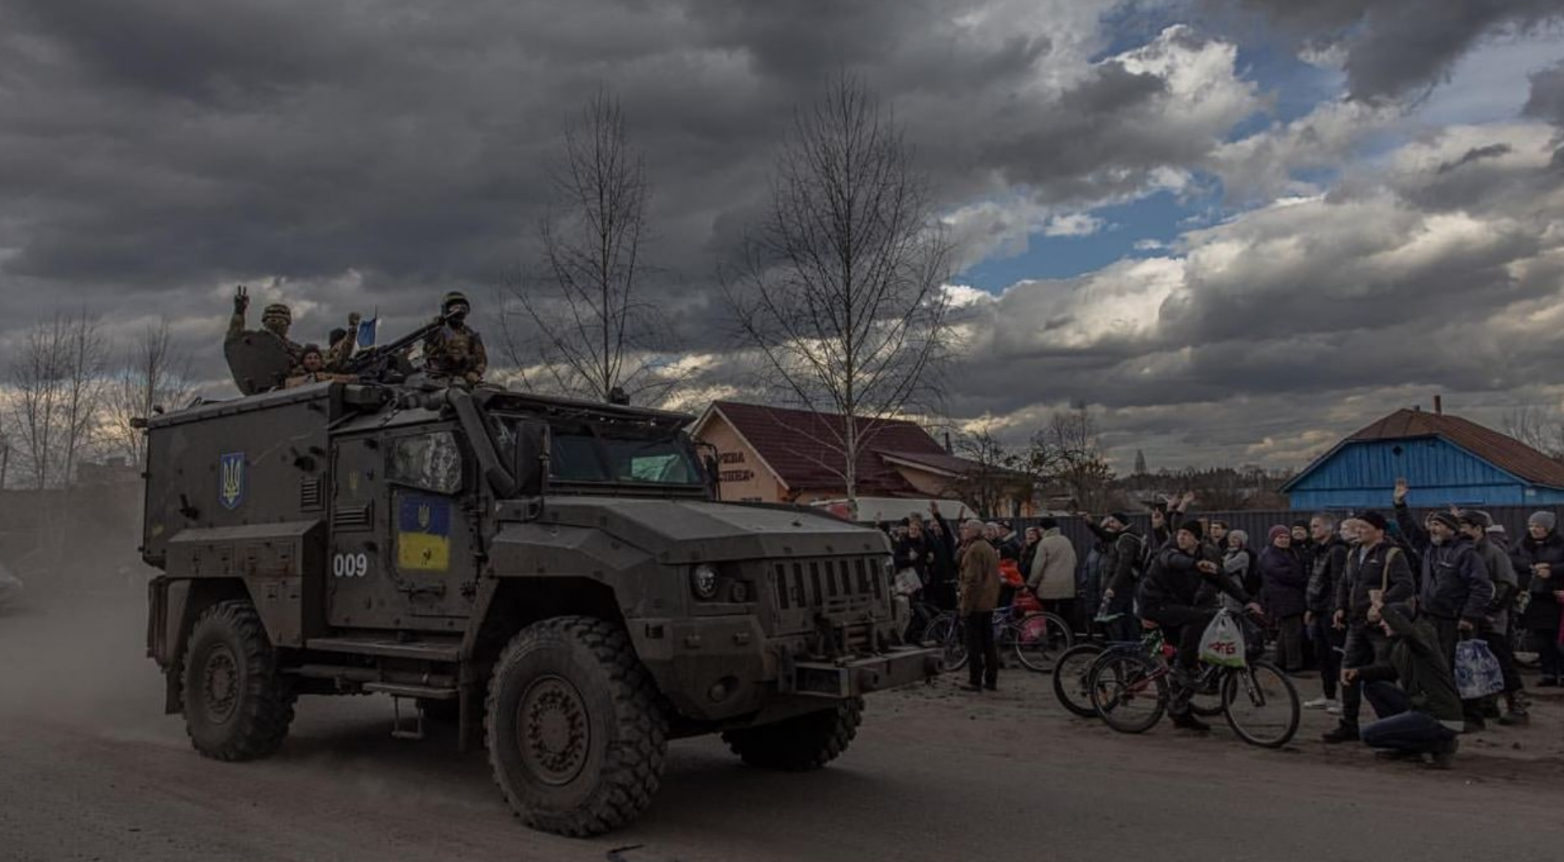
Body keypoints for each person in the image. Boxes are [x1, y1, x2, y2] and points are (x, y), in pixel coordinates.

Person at [1137, 519, 1261, 731]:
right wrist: (1195, 565)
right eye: (1180, 533)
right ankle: (1182, 668)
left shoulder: (1203, 556)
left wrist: (1248, 601)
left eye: (1186, 534)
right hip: (1155, 603)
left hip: (1174, 606)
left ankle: (1179, 712)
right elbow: (1172, 561)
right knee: (1197, 624)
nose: (1181, 537)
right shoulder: (1171, 550)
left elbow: (1223, 580)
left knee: (1184, 654)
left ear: (1196, 538)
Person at [1392, 480, 1494, 729]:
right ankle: (1449, 713)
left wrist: (1469, 616)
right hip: (1430, 617)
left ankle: (1473, 717)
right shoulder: (1429, 548)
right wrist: (1399, 504)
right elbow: (1409, 530)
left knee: (1462, 668)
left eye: (1438, 525)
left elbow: (1481, 587)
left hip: (1455, 620)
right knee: (1437, 668)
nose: (1433, 529)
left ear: (1451, 529)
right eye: (1432, 525)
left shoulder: (1465, 553)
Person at [1324, 510, 1416, 743]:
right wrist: (1339, 607)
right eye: (1357, 527)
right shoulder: (1353, 553)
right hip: (1356, 624)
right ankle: (1348, 724)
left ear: (1379, 530)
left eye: (1364, 527)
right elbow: (1345, 583)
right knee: (1348, 672)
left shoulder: (1392, 554)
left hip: (1380, 626)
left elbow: (1405, 585)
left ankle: (1392, 725)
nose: (1358, 531)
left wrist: (1381, 604)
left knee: (1382, 676)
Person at [1350, 598, 1464, 769]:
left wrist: (1382, 606)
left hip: (1438, 715)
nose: (1382, 624)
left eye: (1385, 620)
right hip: (1422, 707)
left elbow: (1409, 633)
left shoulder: (1422, 638)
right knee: (1373, 687)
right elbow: (1390, 670)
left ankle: (1438, 745)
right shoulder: (1401, 647)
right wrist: (1358, 672)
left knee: (1368, 734)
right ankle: (1411, 748)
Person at [1459, 511, 1528, 725]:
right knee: (1475, 662)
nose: (1459, 530)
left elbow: (1509, 585)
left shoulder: (1493, 552)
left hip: (1492, 618)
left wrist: (1491, 611)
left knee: (1501, 659)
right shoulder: (1464, 551)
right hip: (1470, 615)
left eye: (1463, 526)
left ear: (1477, 529)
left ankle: (1517, 705)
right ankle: (1487, 705)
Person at [1304, 513, 1350, 710]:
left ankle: (1344, 699)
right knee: (1321, 655)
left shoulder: (1337, 550)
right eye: (1311, 526)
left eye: (1316, 526)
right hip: (1318, 609)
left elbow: (1337, 582)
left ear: (1329, 528)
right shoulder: (1319, 550)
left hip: (1330, 611)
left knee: (1336, 656)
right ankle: (1328, 695)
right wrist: (1311, 608)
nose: (1311, 530)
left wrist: (1336, 610)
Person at [1514, 510, 1564, 687]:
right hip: (1533, 596)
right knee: (1541, 639)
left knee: (1557, 639)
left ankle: (1562, 673)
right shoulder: (1523, 543)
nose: (1534, 529)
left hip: (1554, 597)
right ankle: (1548, 673)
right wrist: (1530, 567)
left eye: (1538, 526)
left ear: (1548, 528)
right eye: (1531, 525)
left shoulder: (1560, 544)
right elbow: (1513, 559)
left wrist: (1551, 569)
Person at [957, 519, 1002, 692]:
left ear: (974, 531)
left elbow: (972, 580)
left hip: (976, 604)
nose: (963, 531)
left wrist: (965, 605)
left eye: (966, 528)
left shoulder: (975, 550)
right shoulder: (988, 547)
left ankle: (974, 680)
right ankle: (991, 679)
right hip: (988, 602)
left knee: (973, 644)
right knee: (988, 642)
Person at [1259, 525, 1309, 673]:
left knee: (1286, 631)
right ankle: (1293, 665)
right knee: (1293, 632)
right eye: (1280, 537)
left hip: (1287, 597)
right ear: (1273, 539)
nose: (1284, 540)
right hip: (1284, 598)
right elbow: (1286, 575)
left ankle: (1279, 661)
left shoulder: (1285, 552)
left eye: (1286, 537)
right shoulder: (1271, 555)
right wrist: (1303, 579)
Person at [1097, 512, 1147, 643]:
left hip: (1120, 587)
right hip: (1123, 585)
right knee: (1126, 619)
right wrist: (1097, 526)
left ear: (1121, 523)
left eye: (1113, 521)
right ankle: (1128, 652)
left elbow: (1123, 565)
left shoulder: (1126, 539)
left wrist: (1112, 587)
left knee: (1116, 620)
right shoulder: (1120, 537)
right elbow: (1102, 539)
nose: (1110, 524)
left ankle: (1120, 652)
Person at [226, 285, 303, 368]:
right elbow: (233, 342)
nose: (276, 321)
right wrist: (239, 313)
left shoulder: (296, 350)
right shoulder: (253, 342)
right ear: (265, 322)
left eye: (281, 319)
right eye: (273, 318)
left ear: (288, 324)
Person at [423, 290, 488, 384]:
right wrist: (435, 326)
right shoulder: (439, 331)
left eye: (463, 308)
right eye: (455, 308)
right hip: (439, 377)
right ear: (446, 309)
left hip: (465, 378)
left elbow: (481, 359)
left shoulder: (471, 334)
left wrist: (476, 373)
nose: (459, 311)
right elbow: (430, 339)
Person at [1027, 517, 1078, 619]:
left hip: (1048, 589)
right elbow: (1074, 561)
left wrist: (1031, 584)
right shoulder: (1066, 540)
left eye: (1040, 529)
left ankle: (1051, 633)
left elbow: (1038, 567)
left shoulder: (1044, 543)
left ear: (1045, 529)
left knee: (1048, 617)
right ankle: (1068, 634)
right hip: (1067, 587)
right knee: (1066, 618)